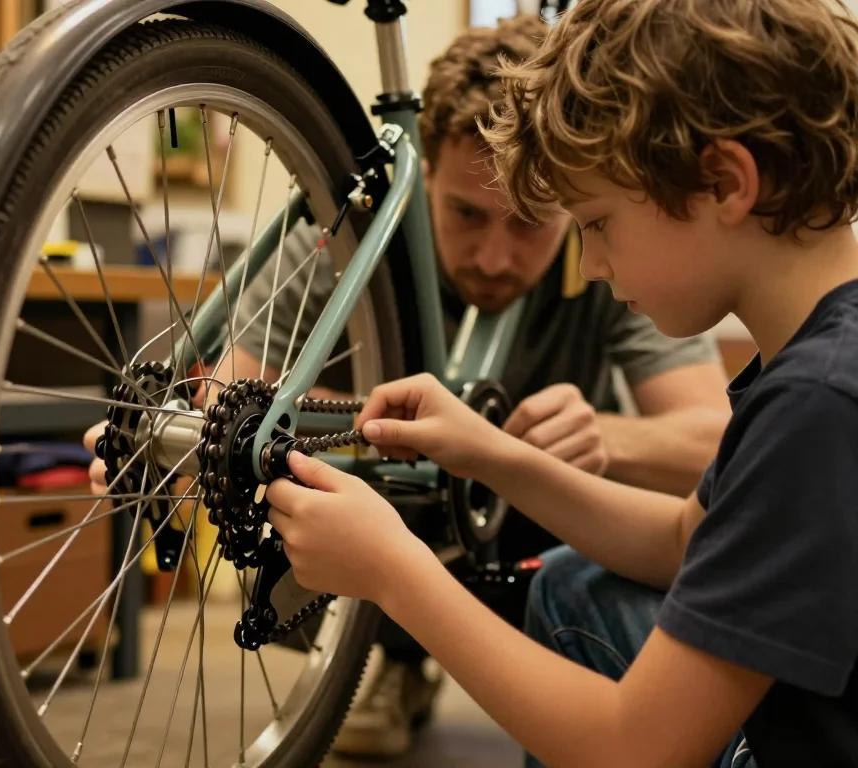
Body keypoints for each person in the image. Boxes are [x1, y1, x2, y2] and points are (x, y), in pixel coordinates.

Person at [85, 12, 731, 759]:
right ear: (424, 174)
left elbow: (713, 448)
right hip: (383, 525)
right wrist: (180, 445)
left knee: (580, 528)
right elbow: (232, 389)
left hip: (528, 535)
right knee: (289, 476)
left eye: (530, 223)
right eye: (464, 213)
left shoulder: (612, 257)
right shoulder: (343, 238)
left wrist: (602, 437)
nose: (494, 255)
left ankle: (500, 655)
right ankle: (393, 659)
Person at [263, 0, 858, 765]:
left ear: (723, 182)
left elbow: (634, 747)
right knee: (578, 583)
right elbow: (686, 541)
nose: (592, 265)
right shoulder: (809, 359)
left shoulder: (820, 403)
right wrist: (493, 454)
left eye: (598, 222)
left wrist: (394, 572)